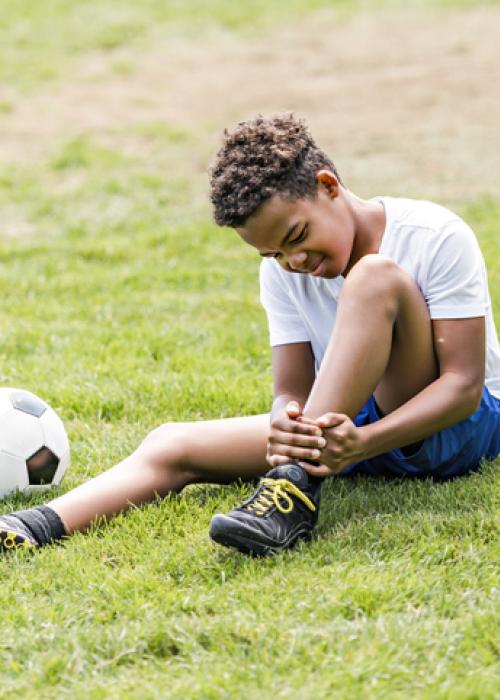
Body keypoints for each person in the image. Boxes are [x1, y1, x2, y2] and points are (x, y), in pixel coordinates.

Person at [1, 113, 499, 557]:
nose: (294, 262)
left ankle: (292, 489)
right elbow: (292, 389)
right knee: (171, 443)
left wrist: (364, 443)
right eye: (273, 255)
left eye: (298, 238)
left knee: (373, 278)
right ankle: (27, 527)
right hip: (343, 431)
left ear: (328, 185)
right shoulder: (283, 273)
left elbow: (462, 386)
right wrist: (287, 420)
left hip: (453, 428)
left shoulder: (434, 233)